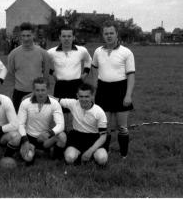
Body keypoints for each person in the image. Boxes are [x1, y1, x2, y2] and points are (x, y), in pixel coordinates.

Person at [91, 20, 135, 158]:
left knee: (122, 126)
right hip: (103, 90)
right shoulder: (98, 51)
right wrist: (94, 89)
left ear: (117, 34)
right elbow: (94, 69)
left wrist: (128, 95)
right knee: (105, 126)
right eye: (106, 33)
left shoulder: (126, 52)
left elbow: (131, 76)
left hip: (120, 90)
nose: (109, 36)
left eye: (111, 33)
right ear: (103, 35)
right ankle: (105, 151)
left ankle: (124, 155)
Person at [47, 25, 92, 131]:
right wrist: (53, 73)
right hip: (60, 85)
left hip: (76, 85)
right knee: (61, 113)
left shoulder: (82, 50)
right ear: (59, 37)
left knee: (77, 111)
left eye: (69, 36)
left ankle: (77, 133)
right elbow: (42, 63)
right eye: (64, 36)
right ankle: (63, 134)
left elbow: (88, 60)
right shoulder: (51, 52)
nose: (66, 38)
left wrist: (85, 73)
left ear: (73, 37)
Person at [18, 77, 67, 164]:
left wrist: (49, 133)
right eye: (37, 90)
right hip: (30, 138)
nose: (40, 93)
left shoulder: (54, 104)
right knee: (28, 158)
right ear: (33, 90)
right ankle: (32, 150)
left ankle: (56, 158)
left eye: (43, 90)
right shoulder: (25, 102)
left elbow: (61, 125)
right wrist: (25, 140)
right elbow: (20, 124)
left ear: (47, 89)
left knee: (62, 136)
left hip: (45, 139)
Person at [59, 83, 108, 165]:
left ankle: (90, 155)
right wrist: (34, 94)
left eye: (87, 96)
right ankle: (81, 156)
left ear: (92, 96)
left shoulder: (99, 112)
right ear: (77, 95)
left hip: (94, 138)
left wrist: (90, 150)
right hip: (76, 137)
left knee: (102, 159)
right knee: (69, 158)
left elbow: (103, 136)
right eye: (81, 96)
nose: (83, 99)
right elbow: (55, 99)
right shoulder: (73, 103)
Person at [8, 22, 51, 112]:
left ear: (33, 35)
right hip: (19, 93)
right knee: (19, 121)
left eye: (28, 35)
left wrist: (43, 91)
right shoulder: (13, 54)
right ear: (20, 36)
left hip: (37, 92)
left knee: (37, 121)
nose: (26, 38)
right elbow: (11, 73)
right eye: (23, 36)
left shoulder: (43, 53)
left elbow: (46, 76)